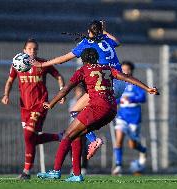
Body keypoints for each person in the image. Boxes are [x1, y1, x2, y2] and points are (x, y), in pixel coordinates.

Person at [37, 48, 158, 182]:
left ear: (83, 60)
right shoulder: (107, 68)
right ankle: (77, 174)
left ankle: (56, 171)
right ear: (96, 58)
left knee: (67, 135)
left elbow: (66, 89)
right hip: (111, 109)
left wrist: (51, 103)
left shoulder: (83, 70)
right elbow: (127, 77)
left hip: (97, 107)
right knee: (76, 136)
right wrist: (148, 88)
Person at [32, 20, 126, 159]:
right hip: (119, 84)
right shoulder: (106, 39)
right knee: (88, 114)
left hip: (107, 83)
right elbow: (117, 42)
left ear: (89, 31)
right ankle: (86, 146)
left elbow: (63, 58)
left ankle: (93, 140)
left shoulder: (86, 44)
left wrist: (42, 64)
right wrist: (104, 31)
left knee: (75, 111)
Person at [1, 39, 65, 179]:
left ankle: (26, 171)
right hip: (25, 107)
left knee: (28, 135)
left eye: (35, 49)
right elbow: (10, 81)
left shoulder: (42, 64)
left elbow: (59, 76)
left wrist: (61, 92)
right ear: (24, 50)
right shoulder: (17, 64)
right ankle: (59, 136)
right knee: (30, 139)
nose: (32, 51)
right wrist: (6, 94)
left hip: (40, 104)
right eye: (29, 49)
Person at [112, 61, 147, 175]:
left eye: (127, 69)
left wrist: (132, 99)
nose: (125, 71)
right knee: (119, 140)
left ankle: (143, 150)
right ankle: (118, 166)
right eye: (123, 69)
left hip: (134, 118)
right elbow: (115, 99)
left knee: (132, 145)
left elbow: (143, 97)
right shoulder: (119, 85)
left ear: (131, 71)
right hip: (122, 117)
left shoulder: (136, 84)